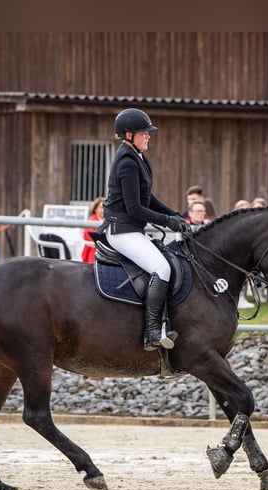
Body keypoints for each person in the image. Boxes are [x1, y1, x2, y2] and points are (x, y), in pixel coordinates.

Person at [99, 108, 190, 351]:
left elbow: (148, 198)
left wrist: (174, 215)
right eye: (143, 133)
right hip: (122, 230)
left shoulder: (137, 157)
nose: (148, 136)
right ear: (129, 134)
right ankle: (151, 332)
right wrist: (167, 222)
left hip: (131, 228)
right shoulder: (127, 162)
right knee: (161, 268)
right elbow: (134, 208)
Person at [81, 196, 105, 264]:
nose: (104, 210)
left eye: (106, 208)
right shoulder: (91, 221)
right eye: (102, 208)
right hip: (92, 252)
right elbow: (92, 237)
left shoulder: (107, 221)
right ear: (95, 209)